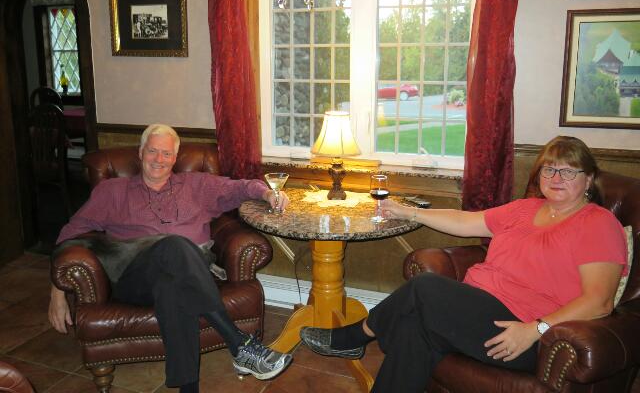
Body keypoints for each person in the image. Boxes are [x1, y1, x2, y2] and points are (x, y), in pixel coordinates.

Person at [299, 136, 628, 392]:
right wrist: (409, 212)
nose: (556, 177)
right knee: (413, 328)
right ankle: (361, 339)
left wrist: (535, 329)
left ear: (589, 180)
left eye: (569, 171)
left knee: (425, 288)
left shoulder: (597, 223)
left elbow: (599, 301)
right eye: (549, 169)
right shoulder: (525, 209)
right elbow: (465, 220)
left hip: (518, 329)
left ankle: (357, 336)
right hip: (475, 311)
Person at [48, 124, 292, 393]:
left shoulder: (197, 185)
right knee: (173, 245)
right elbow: (70, 233)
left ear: (175, 158)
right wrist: (57, 291)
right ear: (141, 153)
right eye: (152, 151)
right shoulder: (113, 191)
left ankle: (190, 389)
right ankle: (238, 342)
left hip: (188, 273)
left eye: (166, 153)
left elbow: (241, 188)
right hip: (134, 278)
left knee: (172, 287)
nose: (159, 159)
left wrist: (268, 193)